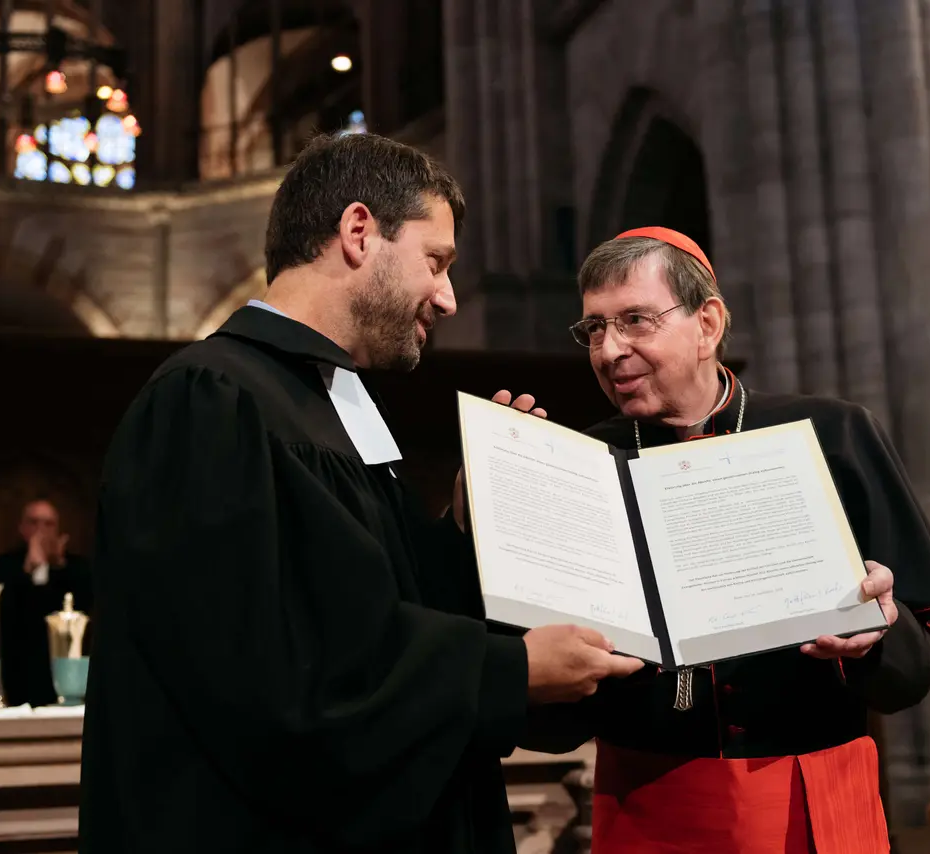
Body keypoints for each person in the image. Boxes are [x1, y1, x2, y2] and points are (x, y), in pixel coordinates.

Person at [78, 133, 642, 853]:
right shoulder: (212, 399)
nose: (446, 297)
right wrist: (512, 669)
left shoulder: (329, 400)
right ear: (357, 232)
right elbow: (271, 679)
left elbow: (376, 599)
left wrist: (471, 523)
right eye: (434, 262)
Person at [521, 227, 930, 853]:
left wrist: (878, 630)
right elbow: (549, 711)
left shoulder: (833, 433)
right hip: (647, 808)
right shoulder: (583, 463)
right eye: (594, 329)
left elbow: (911, 677)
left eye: (635, 320)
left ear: (707, 323)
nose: (609, 350)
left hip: (809, 801)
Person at [0, 498, 93, 707]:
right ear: (22, 527)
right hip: (15, 666)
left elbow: (83, 608)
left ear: (58, 529)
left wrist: (58, 567)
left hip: (61, 666)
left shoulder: (77, 568)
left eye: (48, 524)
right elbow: (4, 612)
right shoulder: (0, 566)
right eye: (34, 523)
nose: (40, 530)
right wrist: (28, 573)